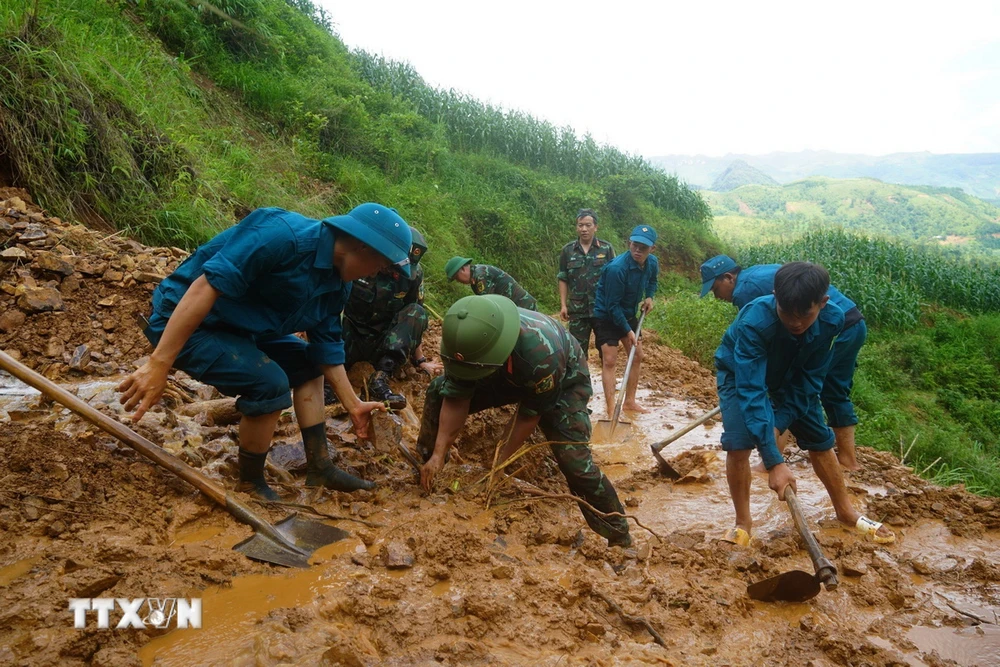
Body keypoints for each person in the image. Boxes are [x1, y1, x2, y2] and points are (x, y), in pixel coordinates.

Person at [118, 204, 414, 500]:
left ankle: (320, 466)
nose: (376, 273)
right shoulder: (283, 237)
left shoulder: (338, 284)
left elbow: (326, 349)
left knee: (308, 363)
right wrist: (159, 364)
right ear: (362, 246)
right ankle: (250, 482)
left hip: (241, 328)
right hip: (185, 321)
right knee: (270, 383)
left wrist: (353, 404)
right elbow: (205, 287)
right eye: (379, 264)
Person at [416, 295, 632, 547]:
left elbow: (529, 415)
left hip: (562, 382)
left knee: (575, 462)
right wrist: (438, 453)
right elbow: (456, 396)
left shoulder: (542, 355)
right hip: (496, 367)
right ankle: (428, 469)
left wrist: (497, 464)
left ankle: (618, 535)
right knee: (438, 391)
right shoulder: (467, 342)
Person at [714, 261, 894, 546]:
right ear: (775, 296)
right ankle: (743, 522)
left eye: (805, 314)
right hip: (739, 373)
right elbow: (752, 390)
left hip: (794, 373)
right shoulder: (754, 321)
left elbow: (810, 380)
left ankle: (846, 512)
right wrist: (774, 461)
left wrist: (777, 424)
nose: (795, 322)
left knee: (820, 439)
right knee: (738, 442)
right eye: (786, 313)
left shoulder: (832, 320)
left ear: (823, 303)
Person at [700, 255, 866, 471]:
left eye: (714, 289)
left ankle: (772, 458)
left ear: (728, 278)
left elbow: (767, 340)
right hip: (854, 323)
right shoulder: (755, 272)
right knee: (834, 392)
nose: (717, 296)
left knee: (792, 387)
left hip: (827, 326)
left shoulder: (745, 291)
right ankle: (847, 461)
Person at [338, 227, 442, 409]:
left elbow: (414, 316)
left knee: (417, 311)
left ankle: (381, 379)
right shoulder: (362, 259)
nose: (399, 272)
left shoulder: (413, 275)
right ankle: (331, 383)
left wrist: (420, 361)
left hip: (384, 344)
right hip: (351, 337)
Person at [592, 225, 659, 416]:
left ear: (652, 249)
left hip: (628, 314)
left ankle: (629, 402)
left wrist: (650, 297)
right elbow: (612, 306)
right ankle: (612, 408)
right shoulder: (616, 269)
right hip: (606, 316)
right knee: (610, 360)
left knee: (637, 355)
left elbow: (653, 281)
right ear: (629, 243)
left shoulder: (652, 263)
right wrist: (628, 331)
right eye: (635, 245)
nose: (638, 250)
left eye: (643, 248)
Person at [557, 208, 616, 356]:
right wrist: (563, 305)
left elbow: (614, 277)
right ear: (577, 227)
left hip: (602, 309)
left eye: (588, 225)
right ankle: (582, 380)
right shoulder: (567, 251)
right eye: (580, 225)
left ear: (595, 227)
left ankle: (606, 380)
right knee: (576, 353)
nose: (584, 229)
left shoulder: (606, 248)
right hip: (577, 311)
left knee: (606, 352)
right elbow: (563, 278)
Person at [444, 256, 537, 310]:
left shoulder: (481, 275)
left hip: (524, 305)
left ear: (463, 269)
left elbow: (487, 304)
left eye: (456, 277)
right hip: (515, 308)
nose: (458, 281)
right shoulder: (475, 281)